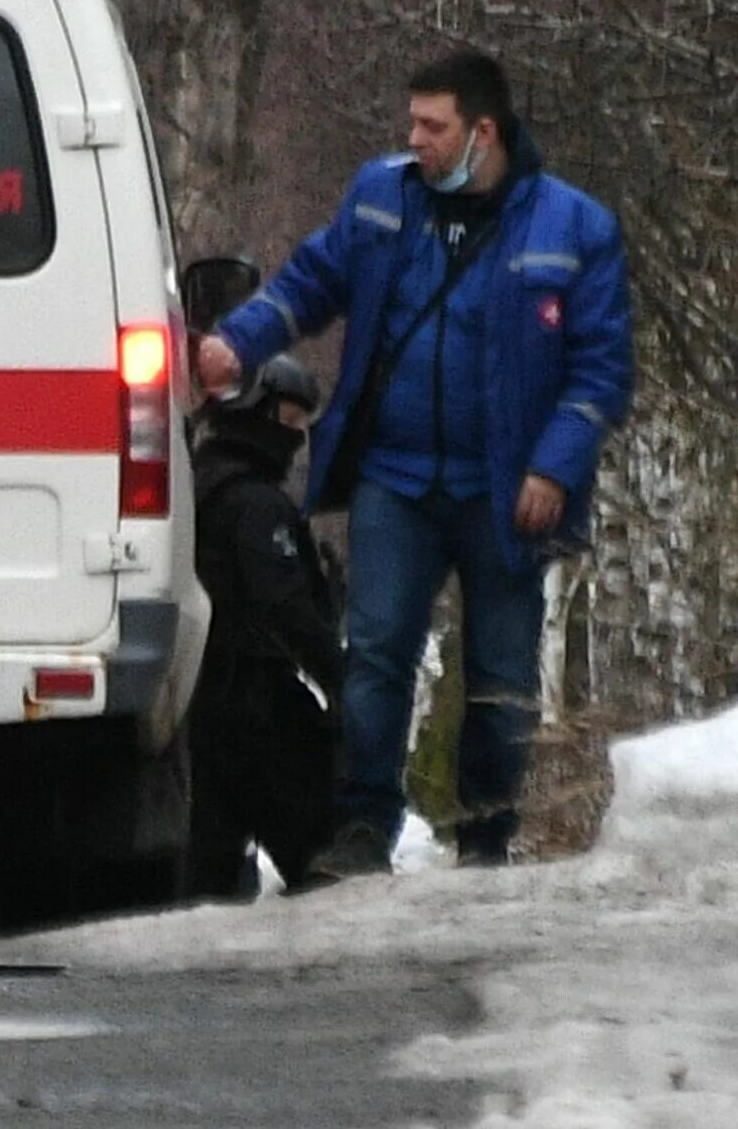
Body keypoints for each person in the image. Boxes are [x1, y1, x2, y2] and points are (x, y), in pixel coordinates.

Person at [195, 48, 633, 880]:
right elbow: (310, 283)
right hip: (395, 475)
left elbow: (600, 369)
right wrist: (234, 345)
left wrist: (555, 464)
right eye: (414, 123)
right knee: (376, 654)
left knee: (501, 673)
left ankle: (485, 834)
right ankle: (362, 827)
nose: (416, 139)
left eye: (433, 126)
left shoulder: (573, 229)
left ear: (483, 130)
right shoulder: (381, 198)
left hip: (507, 488)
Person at [186, 353, 342, 899]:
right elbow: (282, 602)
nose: (295, 438)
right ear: (254, 410)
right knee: (322, 856)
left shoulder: (199, 485)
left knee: (211, 860)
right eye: (289, 420)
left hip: (208, 699)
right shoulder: (253, 503)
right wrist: (337, 673)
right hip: (253, 703)